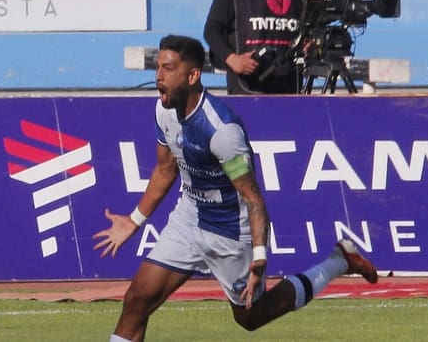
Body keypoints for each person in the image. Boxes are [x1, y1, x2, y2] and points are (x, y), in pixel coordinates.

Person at [94, 34, 378, 342]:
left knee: (251, 317)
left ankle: (338, 262)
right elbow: (165, 169)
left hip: (230, 231)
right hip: (188, 219)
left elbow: (252, 198)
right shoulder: (163, 111)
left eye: (169, 68)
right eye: (158, 68)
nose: (159, 76)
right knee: (137, 300)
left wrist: (259, 257)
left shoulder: (222, 133)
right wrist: (134, 220)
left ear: (192, 76)